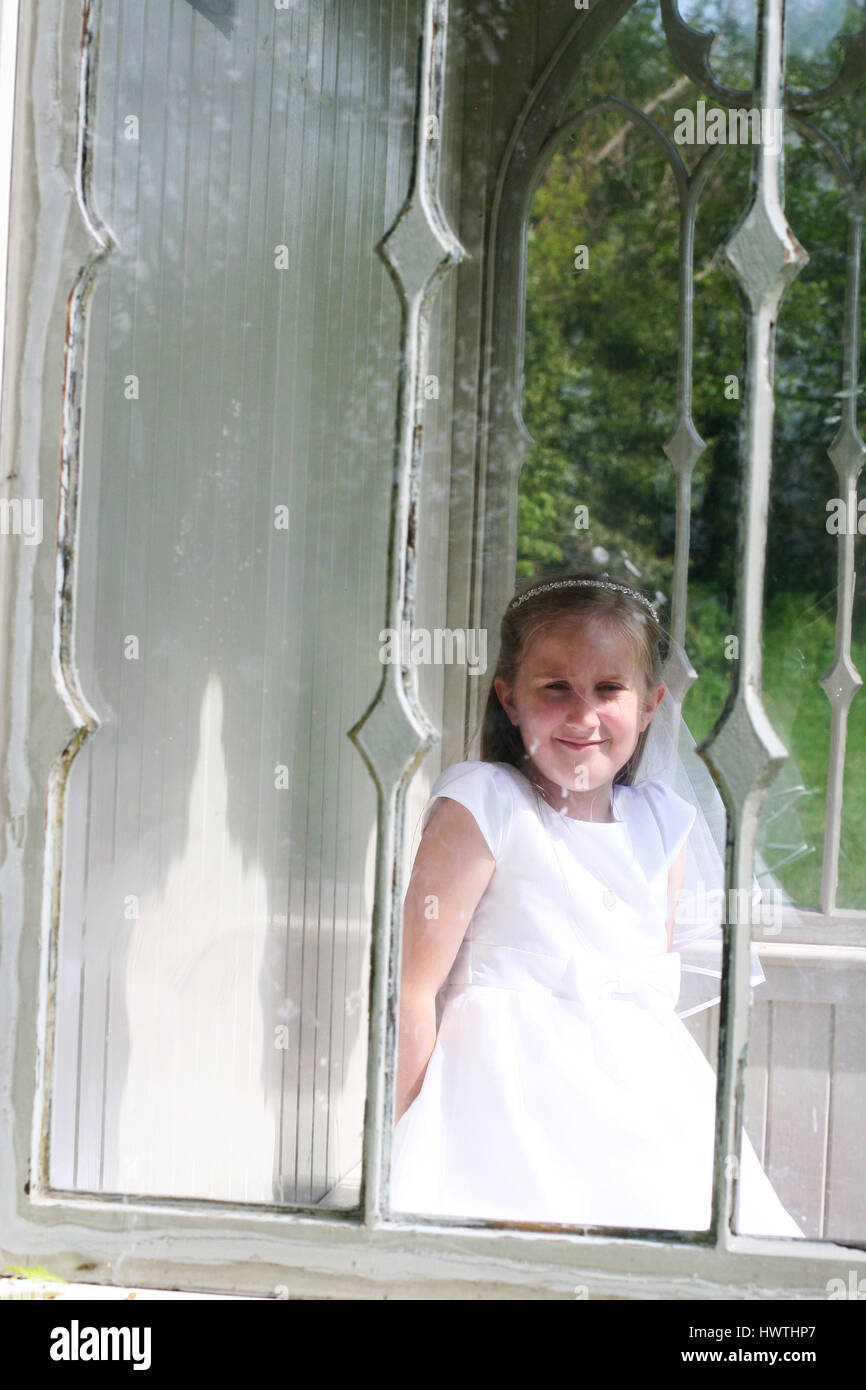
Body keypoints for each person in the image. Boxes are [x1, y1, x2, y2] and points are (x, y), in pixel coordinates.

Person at [390, 572, 803, 1235]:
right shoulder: (485, 803)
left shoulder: (663, 825)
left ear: (648, 706)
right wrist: (405, 1132)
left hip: (638, 1107)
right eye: (556, 688)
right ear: (510, 698)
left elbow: (642, 983)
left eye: (609, 689)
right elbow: (413, 987)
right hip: (502, 1115)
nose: (583, 715)